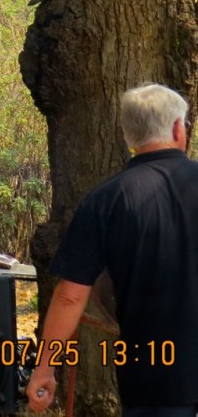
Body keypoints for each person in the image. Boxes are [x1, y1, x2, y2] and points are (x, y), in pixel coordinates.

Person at [27, 83, 198, 415]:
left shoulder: (108, 200)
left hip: (152, 378)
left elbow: (70, 296)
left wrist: (45, 367)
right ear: (179, 128)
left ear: (127, 135)